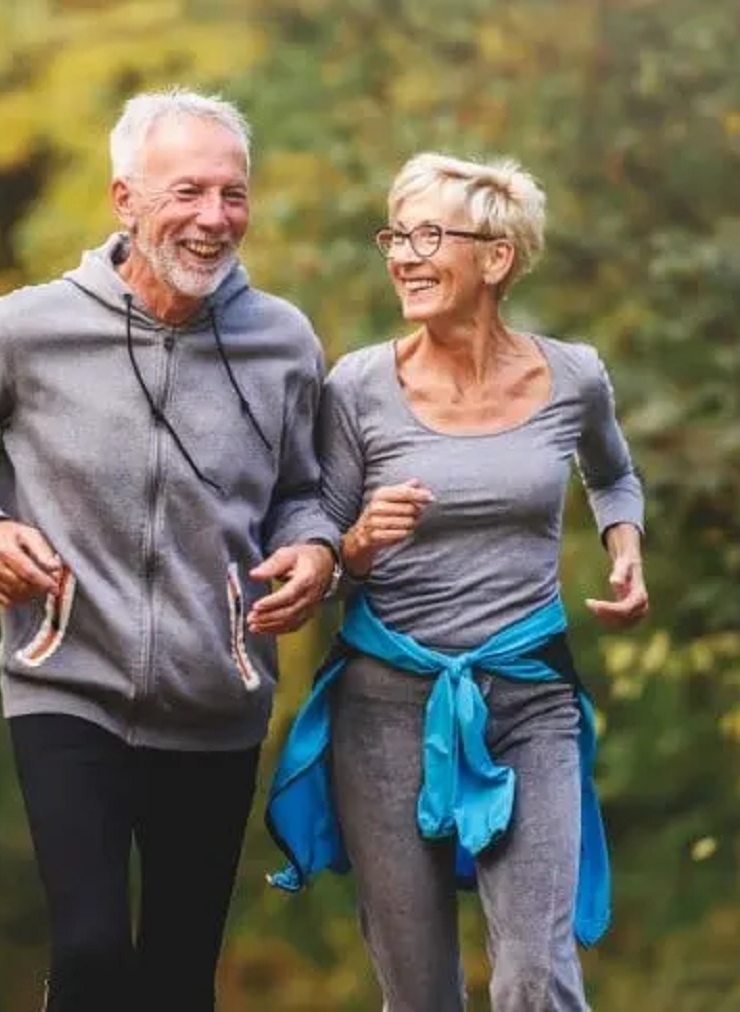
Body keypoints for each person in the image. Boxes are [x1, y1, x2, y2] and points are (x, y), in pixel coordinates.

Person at [0, 88, 341, 1012]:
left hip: (218, 694)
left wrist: (317, 549)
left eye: (233, 194)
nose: (215, 218)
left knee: (178, 975)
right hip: (66, 680)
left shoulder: (284, 342)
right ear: (124, 200)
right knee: (92, 952)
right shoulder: (28, 329)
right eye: (188, 192)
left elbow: (309, 488)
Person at [264, 152, 650, 1012]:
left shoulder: (573, 376)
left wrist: (625, 546)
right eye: (395, 235)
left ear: (497, 257)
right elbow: (321, 540)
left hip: (528, 698)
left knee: (534, 973)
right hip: (385, 709)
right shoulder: (359, 385)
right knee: (422, 990)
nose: (403, 254)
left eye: (428, 235)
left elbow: (613, 477)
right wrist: (359, 540)